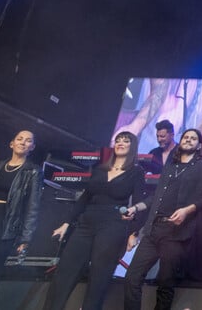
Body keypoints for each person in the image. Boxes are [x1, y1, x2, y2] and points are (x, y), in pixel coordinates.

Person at [43, 131, 146, 310]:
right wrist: (67, 223)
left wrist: (133, 232)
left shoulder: (136, 172)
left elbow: (138, 203)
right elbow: (84, 198)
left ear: (133, 145)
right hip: (87, 221)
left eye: (126, 140)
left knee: (99, 277)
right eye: (118, 140)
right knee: (65, 272)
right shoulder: (100, 169)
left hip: (113, 224)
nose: (120, 143)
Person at [122, 128, 202, 310]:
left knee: (165, 285)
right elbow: (155, 197)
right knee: (132, 278)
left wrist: (187, 210)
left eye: (193, 138)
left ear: (199, 146)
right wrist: (135, 207)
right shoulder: (170, 167)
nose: (188, 140)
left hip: (176, 234)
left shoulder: (201, 168)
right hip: (153, 230)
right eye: (185, 137)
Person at [0, 130, 42, 297]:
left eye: (28, 140)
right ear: (11, 143)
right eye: (20, 139)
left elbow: (33, 206)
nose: (23, 142)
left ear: (32, 147)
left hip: (4, 224)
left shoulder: (33, 171)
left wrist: (25, 238)